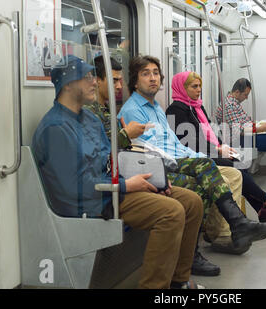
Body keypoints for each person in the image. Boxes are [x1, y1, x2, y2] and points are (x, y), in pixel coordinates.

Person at [31, 55, 205, 289]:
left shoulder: (90, 119)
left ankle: (178, 280)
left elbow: (111, 160)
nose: (94, 82)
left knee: (191, 201)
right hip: (91, 201)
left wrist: (155, 179)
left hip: (110, 189)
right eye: (87, 77)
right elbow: (74, 188)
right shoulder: (56, 128)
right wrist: (126, 185)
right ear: (69, 84)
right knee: (171, 212)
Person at [118, 55, 266, 257]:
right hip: (161, 166)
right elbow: (149, 151)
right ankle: (214, 240)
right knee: (202, 177)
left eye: (156, 73)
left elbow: (177, 143)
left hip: (178, 158)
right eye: (145, 74)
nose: (152, 78)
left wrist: (198, 155)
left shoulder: (157, 109)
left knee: (233, 174)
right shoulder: (135, 111)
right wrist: (201, 156)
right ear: (135, 81)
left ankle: (225, 233)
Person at [165, 71, 266, 222]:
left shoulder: (197, 107)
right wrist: (218, 150)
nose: (199, 89)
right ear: (182, 87)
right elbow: (189, 141)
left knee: (240, 162)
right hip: (195, 154)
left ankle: (262, 208)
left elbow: (211, 130)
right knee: (234, 165)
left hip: (211, 148)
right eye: (194, 86)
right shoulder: (175, 110)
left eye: (200, 86)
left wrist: (222, 145)